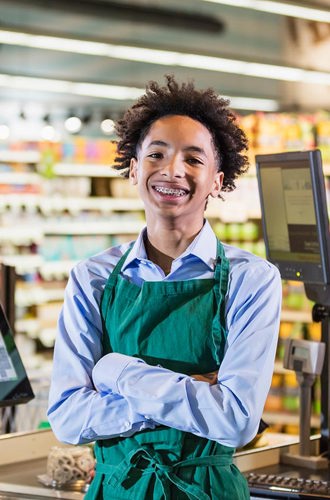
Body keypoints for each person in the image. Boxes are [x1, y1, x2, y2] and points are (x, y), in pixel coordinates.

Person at [48, 75, 282, 499]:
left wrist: (115, 372)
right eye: (157, 154)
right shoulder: (93, 278)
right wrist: (195, 391)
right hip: (116, 489)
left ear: (217, 180)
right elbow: (67, 418)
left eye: (194, 159)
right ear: (135, 169)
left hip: (208, 490)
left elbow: (236, 422)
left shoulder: (252, 279)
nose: (172, 169)